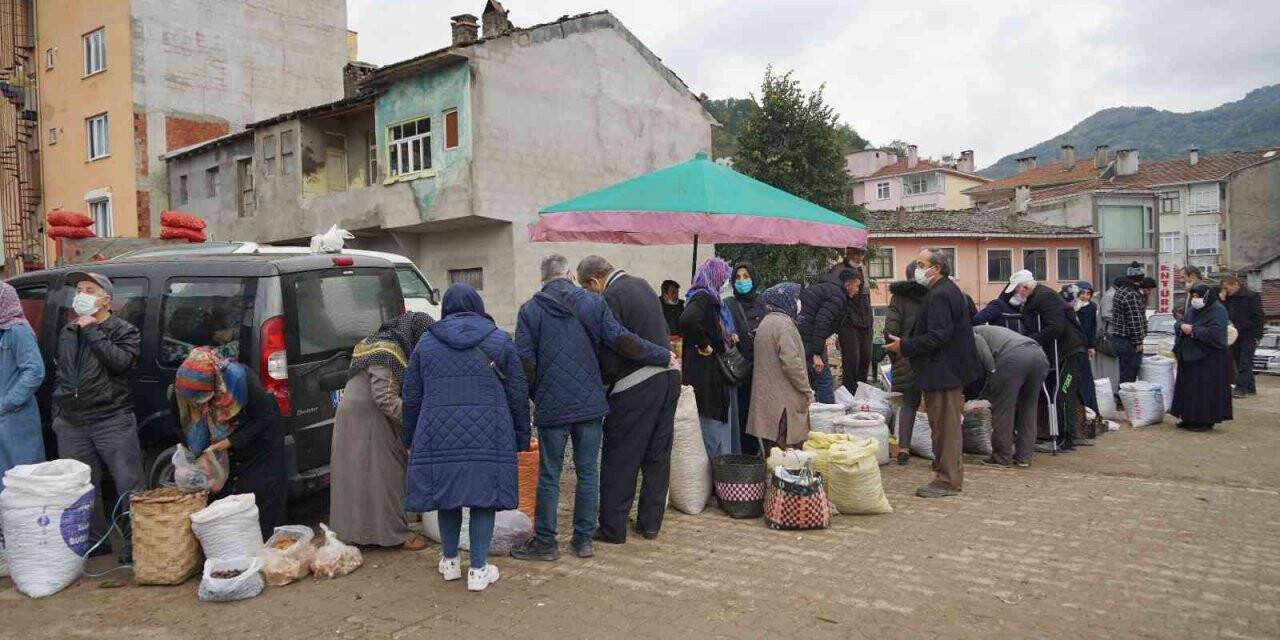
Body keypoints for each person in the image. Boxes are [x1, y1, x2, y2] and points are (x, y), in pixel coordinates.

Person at [512, 255, 673, 563]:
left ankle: (546, 544)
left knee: (549, 475)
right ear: (570, 275)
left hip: (552, 407)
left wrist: (538, 394)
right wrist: (662, 354)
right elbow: (622, 341)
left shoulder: (529, 311)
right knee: (588, 472)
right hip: (589, 405)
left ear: (543, 280)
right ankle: (583, 540)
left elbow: (525, 364)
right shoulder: (592, 303)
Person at [403, 284, 529, 592]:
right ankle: (477, 569)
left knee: (448, 495)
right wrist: (521, 437)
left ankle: (448, 562)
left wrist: (410, 438)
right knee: (482, 498)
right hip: (490, 432)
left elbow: (411, 397)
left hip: (438, 433)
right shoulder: (500, 341)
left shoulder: (426, 343)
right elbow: (518, 394)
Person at [577, 256, 681, 544]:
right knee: (657, 456)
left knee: (621, 456)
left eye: (587, 290)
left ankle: (612, 528)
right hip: (669, 378)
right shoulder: (643, 285)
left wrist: (603, 380)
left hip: (637, 384)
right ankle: (650, 524)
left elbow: (614, 349)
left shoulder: (610, 297)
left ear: (594, 282)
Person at [51, 272, 143, 559]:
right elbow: (62, 372)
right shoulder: (68, 332)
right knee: (82, 487)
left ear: (106, 299)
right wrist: (59, 411)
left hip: (111, 419)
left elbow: (121, 363)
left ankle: (136, 545)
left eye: (89, 289)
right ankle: (95, 542)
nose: (81, 294)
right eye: (79, 289)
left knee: (129, 484)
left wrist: (92, 330)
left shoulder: (123, 330)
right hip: (72, 422)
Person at [329, 312, 435, 550]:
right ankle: (396, 535)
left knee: (360, 477)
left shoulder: (376, 340)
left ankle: (359, 533)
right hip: (370, 419)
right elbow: (385, 397)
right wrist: (416, 422)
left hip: (356, 416)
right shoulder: (387, 350)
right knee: (387, 475)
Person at [885, 249, 980, 498]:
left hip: (943, 372)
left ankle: (947, 480)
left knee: (945, 429)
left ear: (935, 268)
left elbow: (938, 336)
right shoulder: (946, 291)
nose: (917, 269)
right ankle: (945, 473)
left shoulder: (940, 294)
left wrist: (904, 346)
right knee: (942, 426)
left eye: (921, 264)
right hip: (946, 371)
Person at [172, 347, 287, 539]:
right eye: (193, 404)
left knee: (261, 493)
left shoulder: (240, 381)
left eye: (202, 400)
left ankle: (267, 549)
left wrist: (228, 442)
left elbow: (264, 419)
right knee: (224, 499)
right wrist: (196, 454)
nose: (199, 407)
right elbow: (180, 426)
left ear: (215, 387)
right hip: (219, 446)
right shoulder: (182, 390)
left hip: (259, 436)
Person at [1007, 269, 1087, 452]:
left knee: (1063, 394)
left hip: (1067, 351)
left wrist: (1031, 340)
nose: (1016, 294)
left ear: (1025, 287)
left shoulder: (1046, 297)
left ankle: (1066, 439)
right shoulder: (1034, 297)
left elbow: (1055, 327)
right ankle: (1057, 434)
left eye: (1017, 290)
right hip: (1056, 353)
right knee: (1055, 394)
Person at [680, 257, 742, 460]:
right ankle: (718, 474)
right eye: (722, 278)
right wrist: (704, 344)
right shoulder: (703, 297)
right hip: (707, 377)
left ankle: (720, 474)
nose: (725, 283)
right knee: (712, 427)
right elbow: (688, 319)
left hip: (708, 375)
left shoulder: (708, 299)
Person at [973, 325, 1050, 468]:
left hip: (1013, 358)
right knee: (1029, 408)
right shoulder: (990, 329)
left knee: (1004, 409)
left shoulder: (972, 332)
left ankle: (1001, 457)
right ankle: (1024, 457)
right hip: (1039, 355)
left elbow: (986, 357)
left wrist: (992, 376)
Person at [747, 283, 812, 451]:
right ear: (785, 300)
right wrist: (806, 389)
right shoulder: (784, 325)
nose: (798, 303)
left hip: (770, 401)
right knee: (786, 457)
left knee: (773, 455)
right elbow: (792, 364)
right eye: (796, 298)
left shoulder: (767, 322)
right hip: (783, 404)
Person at [0, 282, 45, 491]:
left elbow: (35, 371)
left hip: (14, 419)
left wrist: (6, 403)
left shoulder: (17, 332)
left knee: (22, 482)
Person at [1170, 284, 1233, 432]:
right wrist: (1181, 326)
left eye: (1198, 297)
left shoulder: (1218, 310)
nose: (1195, 299)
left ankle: (1204, 421)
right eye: (1193, 297)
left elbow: (1216, 333)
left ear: (1206, 297)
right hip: (1190, 356)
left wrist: (1193, 330)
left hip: (1209, 358)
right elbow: (1180, 323)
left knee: (1205, 391)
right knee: (1189, 389)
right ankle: (1188, 417)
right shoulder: (1192, 311)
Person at [885, 264, 927, 466]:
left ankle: (903, 450)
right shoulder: (936, 295)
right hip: (932, 357)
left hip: (906, 354)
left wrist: (897, 357)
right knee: (936, 406)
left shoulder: (899, 298)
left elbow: (890, 331)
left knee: (909, 404)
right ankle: (941, 450)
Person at [798, 267, 860, 404]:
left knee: (810, 379)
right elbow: (822, 321)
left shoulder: (831, 289)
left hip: (803, 335)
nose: (857, 290)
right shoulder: (837, 295)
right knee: (823, 380)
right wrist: (817, 353)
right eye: (857, 285)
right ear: (848, 284)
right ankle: (827, 417)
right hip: (807, 337)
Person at [725, 262, 767, 455]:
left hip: (763, 371)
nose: (742, 281)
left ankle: (762, 455)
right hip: (740, 371)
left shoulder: (764, 303)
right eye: (738, 277)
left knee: (762, 416)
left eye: (746, 276)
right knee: (742, 416)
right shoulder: (729, 305)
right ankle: (745, 460)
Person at [831, 247, 873, 389]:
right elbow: (835, 297)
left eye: (861, 254)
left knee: (865, 359)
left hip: (866, 322)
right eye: (856, 253)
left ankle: (861, 394)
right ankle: (850, 394)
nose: (859, 257)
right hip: (848, 323)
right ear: (847, 253)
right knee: (852, 361)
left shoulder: (863, 269)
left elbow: (867, 296)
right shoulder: (838, 270)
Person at [1221, 275, 1264, 398]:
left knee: (1245, 362)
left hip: (1248, 335)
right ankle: (1250, 387)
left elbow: (1259, 317)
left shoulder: (1251, 296)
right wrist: (1223, 300)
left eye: (1226, 287)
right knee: (1239, 361)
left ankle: (1241, 388)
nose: (1225, 290)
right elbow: (1224, 314)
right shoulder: (1228, 298)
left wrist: (1258, 335)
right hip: (1234, 335)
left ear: (1235, 284)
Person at [1105, 263, 1147, 385]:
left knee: (1124, 373)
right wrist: (1138, 342)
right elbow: (1135, 321)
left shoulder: (1120, 291)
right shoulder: (1131, 294)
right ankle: (1126, 400)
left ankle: (1122, 398)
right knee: (1130, 374)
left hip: (1119, 339)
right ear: (1141, 278)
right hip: (1129, 341)